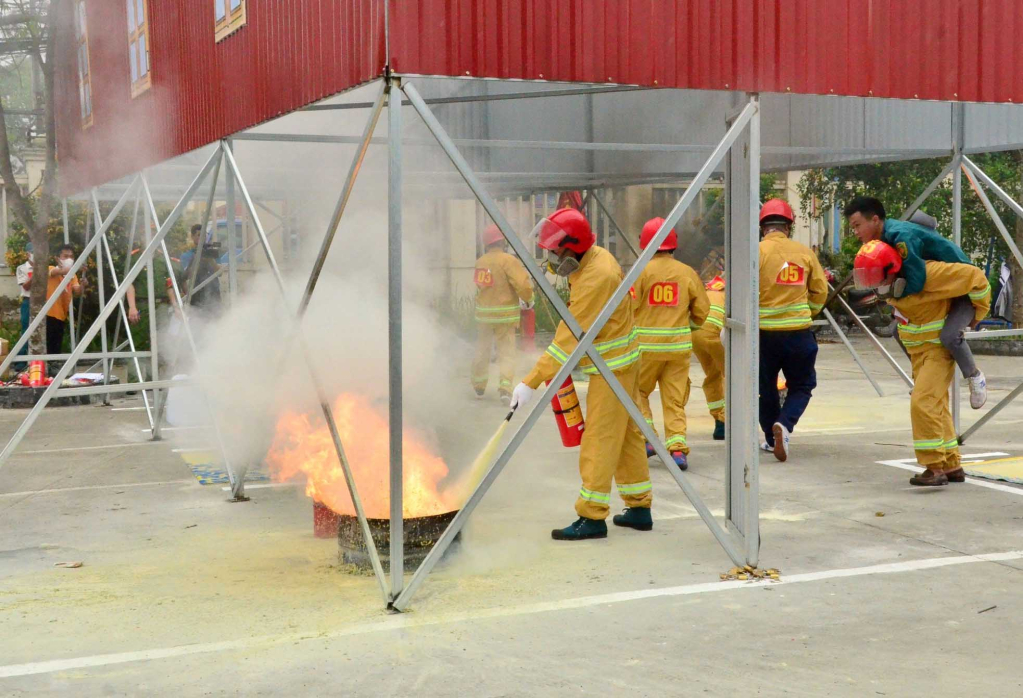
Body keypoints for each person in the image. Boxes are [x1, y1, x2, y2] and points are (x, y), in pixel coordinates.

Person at [509, 208, 650, 540]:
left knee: (599, 439)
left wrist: (531, 382)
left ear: (574, 247)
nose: (553, 258)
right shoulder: (594, 260)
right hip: (622, 363)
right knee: (627, 435)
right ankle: (639, 507)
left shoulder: (595, 277)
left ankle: (592, 515)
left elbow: (567, 340)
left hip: (611, 368)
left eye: (556, 251)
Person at [853, 240, 991, 486]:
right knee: (937, 406)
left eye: (876, 276)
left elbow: (976, 277)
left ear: (893, 269)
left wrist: (975, 316)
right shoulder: (895, 287)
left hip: (938, 351)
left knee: (922, 403)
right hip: (918, 351)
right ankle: (951, 464)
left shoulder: (930, 274)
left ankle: (933, 466)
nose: (875, 284)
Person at [843, 196, 987, 409]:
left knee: (949, 335)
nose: (855, 232)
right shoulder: (883, 241)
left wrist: (891, 295)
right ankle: (922, 378)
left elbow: (917, 280)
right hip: (939, 291)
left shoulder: (900, 237)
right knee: (897, 329)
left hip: (959, 289)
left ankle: (974, 376)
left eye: (857, 225)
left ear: (874, 220)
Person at [632, 217, 709, 470]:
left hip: (645, 349)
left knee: (637, 392)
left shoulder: (640, 272)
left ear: (645, 244)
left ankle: (647, 439)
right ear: (673, 244)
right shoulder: (687, 273)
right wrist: (687, 327)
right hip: (678, 349)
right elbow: (702, 311)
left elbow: (627, 308)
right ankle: (677, 450)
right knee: (674, 399)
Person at [758, 199, 828, 462]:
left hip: (763, 335)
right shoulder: (804, 253)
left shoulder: (756, 252)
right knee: (802, 384)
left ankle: (770, 438)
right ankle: (785, 423)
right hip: (798, 333)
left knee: (765, 388)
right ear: (789, 226)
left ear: (763, 227)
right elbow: (820, 291)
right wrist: (808, 312)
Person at [470, 223, 534, 403]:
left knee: (482, 350)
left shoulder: (480, 262)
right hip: (505, 316)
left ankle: (479, 386)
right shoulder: (508, 260)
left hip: (484, 315)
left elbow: (481, 286)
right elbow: (522, 284)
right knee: (506, 352)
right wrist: (528, 298)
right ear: (502, 241)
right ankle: (505, 389)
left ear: (487, 243)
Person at [691, 274, 726, 440]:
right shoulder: (733, 292)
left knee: (713, 375)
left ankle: (719, 423)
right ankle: (726, 419)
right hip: (715, 334)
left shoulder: (709, 291)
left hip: (696, 334)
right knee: (733, 376)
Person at [46, 244, 85, 371]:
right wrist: (76, 268)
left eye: (71, 257)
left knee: (57, 342)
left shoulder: (73, 275)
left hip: (62, 313)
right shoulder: (51, 269)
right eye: (65, 256)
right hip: (49, 312)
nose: (69, 259)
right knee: (49, 342)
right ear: (58, 258)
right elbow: (61, 271)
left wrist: (83, 284)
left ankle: (54, 366)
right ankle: (48, 367)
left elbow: (77, 291)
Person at [14, 243, 34, 370]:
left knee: (41, 330)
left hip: (43, 302)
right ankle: (21, 361)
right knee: (26, 329)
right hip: (28, 301)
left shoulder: (46, 268)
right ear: (27, 254)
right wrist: (36, 272)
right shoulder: (22, 268)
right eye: (33, 252)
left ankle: (40, 361)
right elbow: (25, 286)